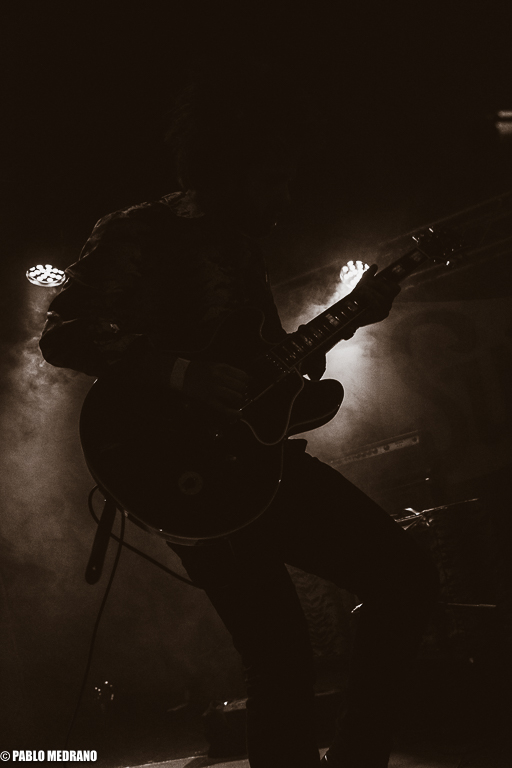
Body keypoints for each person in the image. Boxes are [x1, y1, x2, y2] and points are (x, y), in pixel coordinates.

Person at [39, 62, 439, 768]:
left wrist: (349, 318)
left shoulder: (238, 248)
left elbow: (266, 369)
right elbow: (64, 333)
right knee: (281, 656)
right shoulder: (141, 230)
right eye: (273, 179)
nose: (285, 195)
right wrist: (181, 373)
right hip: (182, 474)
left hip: (257, 461)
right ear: (228, 169)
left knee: (403, 579)